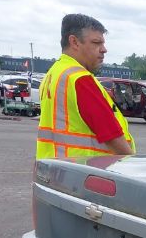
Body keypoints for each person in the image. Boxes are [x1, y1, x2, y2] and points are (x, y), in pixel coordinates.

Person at [36, 14, 135, 159]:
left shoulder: (54, 73)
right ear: (74, 42)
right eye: (96, 43)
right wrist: (132, 163)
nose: (104, 49)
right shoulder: (80, 79)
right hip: (84, 171)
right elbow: (112, 136)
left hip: (54, 166)